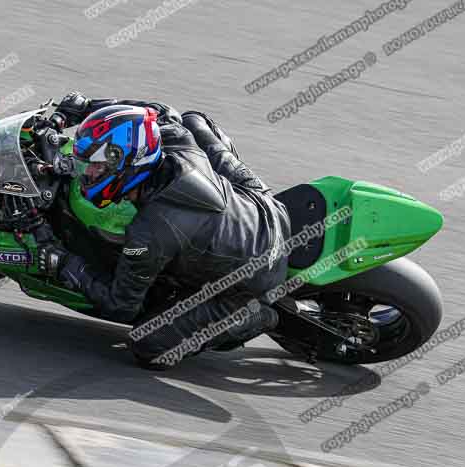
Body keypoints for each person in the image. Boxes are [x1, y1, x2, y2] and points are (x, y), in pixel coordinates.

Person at [38, 92, 291, 369]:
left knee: (150, 345)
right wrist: (89, 107)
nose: (88, 172)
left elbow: (120, 305)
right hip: (265, 204)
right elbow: (156, 111)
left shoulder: (149, 233)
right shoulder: (173, 140)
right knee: (192, 121)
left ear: (125, 165)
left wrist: (61, 262)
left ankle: (259, 314)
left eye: (97, 166)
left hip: (258, 275)